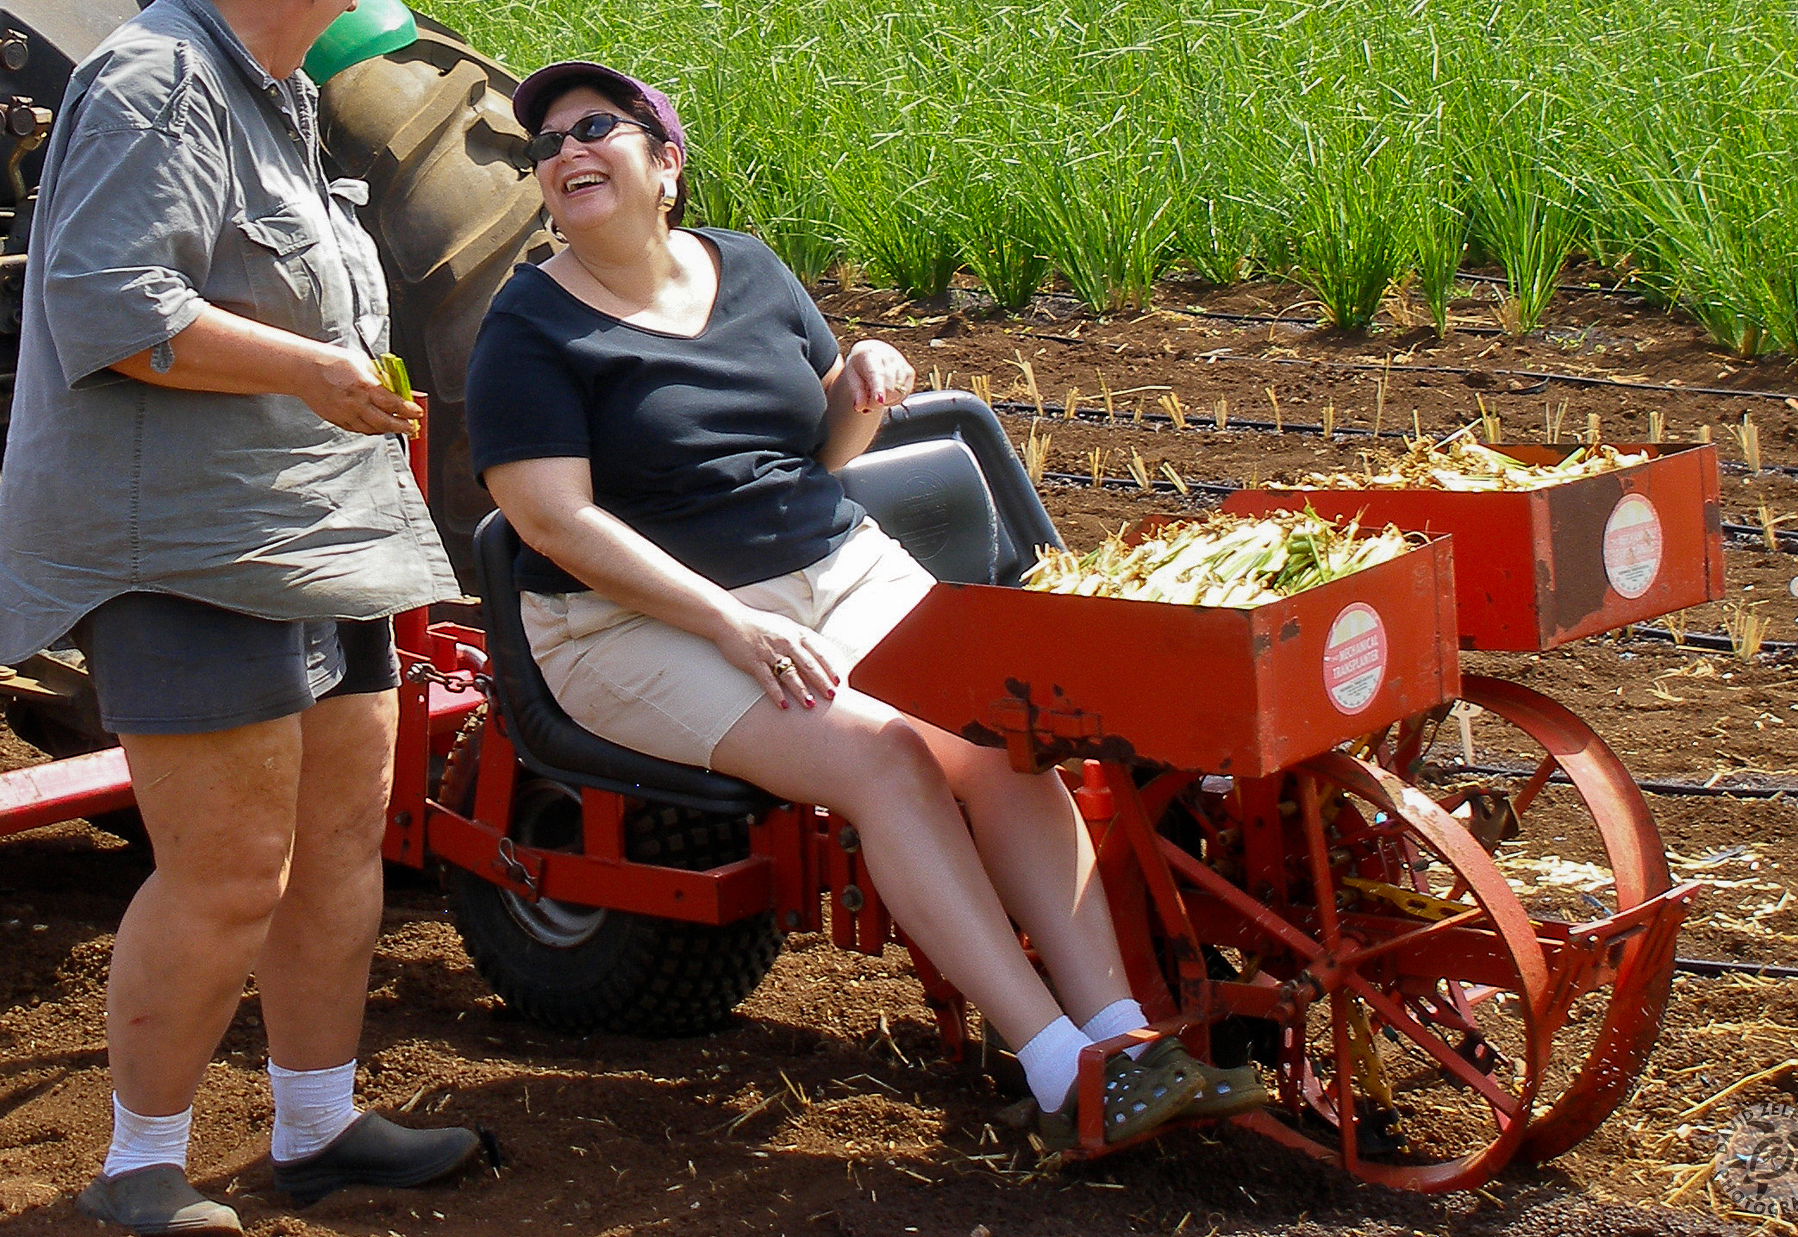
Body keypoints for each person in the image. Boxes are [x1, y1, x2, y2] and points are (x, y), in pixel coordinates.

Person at [463, 61, 1275, 1152]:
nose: (563, 149)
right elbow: (549, 519)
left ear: (665, 162)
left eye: (592, 126)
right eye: (545, 142)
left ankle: (1126, 1039)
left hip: (832, 565)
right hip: (630, 623)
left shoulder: (746, 268)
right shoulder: (529, 326)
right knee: (883, 757)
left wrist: (857, 391)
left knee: (997, 736)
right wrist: (726, 620)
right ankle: (1056, 1070)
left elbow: (816, 451)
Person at [0, 0, 481, 1235]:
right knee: (226, 875)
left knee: (337, 849)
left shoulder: (261, 85)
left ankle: (316, 1122)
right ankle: (141, 1162)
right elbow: (113, 311)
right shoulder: (155, 81)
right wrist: (315, 370)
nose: (347, 9)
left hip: (318, 529)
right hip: (192, 550)